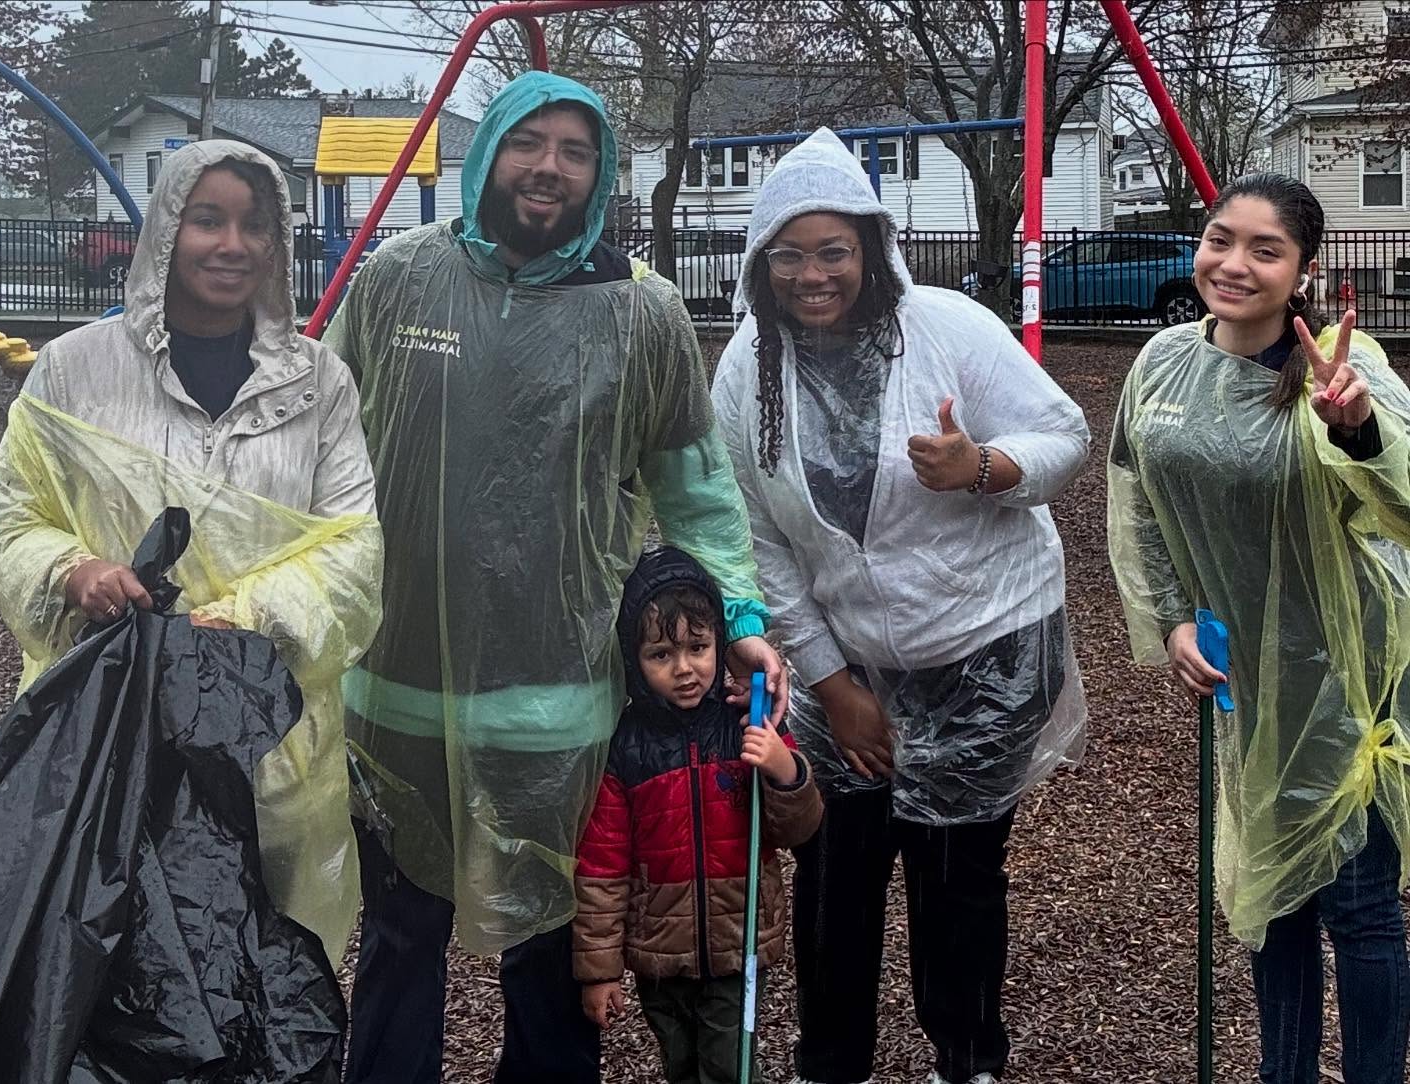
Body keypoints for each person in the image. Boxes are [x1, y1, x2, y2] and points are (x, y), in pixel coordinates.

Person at [322, 71, 785, 1084]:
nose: (550, 168)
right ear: (489, 150)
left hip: (557, 707)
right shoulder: (397, 279)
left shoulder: (640, 310)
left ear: (601, 171)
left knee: (552, 956)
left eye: (576, 151)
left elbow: (696, 489)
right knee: (400, 937)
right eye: (530, 141)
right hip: (398, 693)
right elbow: (312, 447)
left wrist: (738, 612)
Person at [709, 128, 1090, 1084]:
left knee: (953, 873)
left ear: (872, 250)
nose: (812, 274)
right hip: (846, 657)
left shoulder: (948, 327)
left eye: (833, 250)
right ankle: (829, 1065)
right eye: (788, 254)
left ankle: (968, 1061)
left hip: (984, 644)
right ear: (761, 262)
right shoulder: (747, 364)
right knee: (835, 873)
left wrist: (984, 468)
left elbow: (1065, 435)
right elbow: (755, 535)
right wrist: (832, 685)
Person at [0, 140, 383, 962]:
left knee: (264, 973)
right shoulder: (73, 371)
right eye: (207, 220)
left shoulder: (320, 385)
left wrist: (239, 620)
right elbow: (10, 522)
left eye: (254, 225)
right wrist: (73, 571)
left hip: (268, 751)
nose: (232, 245)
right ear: (166, 230)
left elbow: (353, 549)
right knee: (99, 970)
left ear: (276, 242)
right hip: (102, 740)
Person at [1107, 173, 1410, 1084]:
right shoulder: (1161, 361)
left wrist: (1352, 426)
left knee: (1356, 901)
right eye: (1218, 239)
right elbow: (1137, 504)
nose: (1232, 264)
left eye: (1264, 249)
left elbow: (1401, 497)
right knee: (1272, 896)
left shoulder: (1347, 368)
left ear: (1303, 270)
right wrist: (1167, 623)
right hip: (1243, 672)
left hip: (1349, 670)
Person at [573, 547, 822, 1084]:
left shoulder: (745, 727)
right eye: (661, 655)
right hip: (658, 952)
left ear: (719, 647)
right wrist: (600, 971)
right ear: (633, 662)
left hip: (735, 945)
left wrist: (784, 769)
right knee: (682, 1065)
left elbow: (799, 827)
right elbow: (601, 866)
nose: (684, 668)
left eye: (698, 647)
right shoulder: (626, 749)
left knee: (729, 1067)